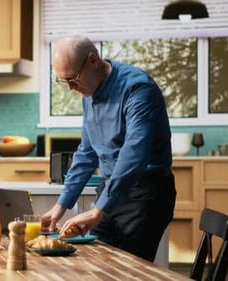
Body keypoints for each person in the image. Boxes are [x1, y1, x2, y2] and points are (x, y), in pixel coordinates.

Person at [42, 35, 176, 262]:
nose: (71, 88)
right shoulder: (89, 90)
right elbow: (87, 152)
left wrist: (97, 211)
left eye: (73, 79)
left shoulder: (138, 89)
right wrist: (61, 205)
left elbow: (134, 154)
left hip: (145, 194)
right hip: (110, 191)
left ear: (93, 60)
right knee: (94, 262)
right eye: (64, 82)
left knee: (128, 271)